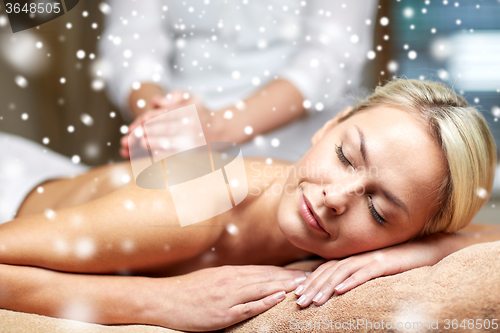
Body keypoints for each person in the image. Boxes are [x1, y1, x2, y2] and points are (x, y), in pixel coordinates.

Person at [0, 79, 498, 332]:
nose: (334, 198)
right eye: (345, 156)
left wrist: (412, 254)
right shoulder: (204, 202)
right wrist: (161, 302)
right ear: (329, 126)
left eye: (379, 211)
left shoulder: (401, 240)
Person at [98, 0, 377, 161]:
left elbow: (331, 54)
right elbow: (131, 41)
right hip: (177, 141)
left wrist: (218, 129)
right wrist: (160, 121)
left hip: (296, 146)